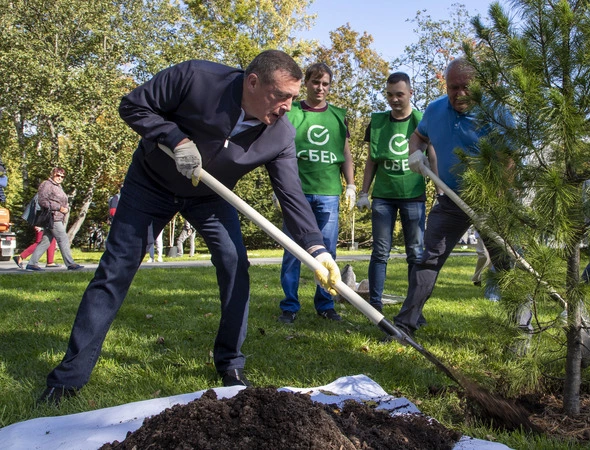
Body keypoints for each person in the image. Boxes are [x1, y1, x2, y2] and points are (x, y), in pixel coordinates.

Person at [37, 50, 341, 405]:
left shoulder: (280, 134)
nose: (289, 106)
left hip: (211, 196)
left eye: (293, 96)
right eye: (282, 96)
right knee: (114, 271)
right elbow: (133, 105)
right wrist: (175, 138)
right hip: (151, 185)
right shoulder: (196, 79)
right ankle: (68, 378)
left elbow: (292, 197)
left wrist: (317, 250)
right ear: (254, 82)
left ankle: (231, 364)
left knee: (235, 265)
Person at [391, 58, 513, 337]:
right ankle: (404, 325)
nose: (459, 93)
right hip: (451, 198)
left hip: (490, 200)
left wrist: (496, 196)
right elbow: (419, 136)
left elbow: (510, 157)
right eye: (452, 87)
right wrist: (415, 153)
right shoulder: (435, 110)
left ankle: (522, 326)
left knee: (506, 262)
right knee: (428, 258)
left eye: (465, 87)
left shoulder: (496, 112)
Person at [278, 62, 355, 324]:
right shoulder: (292, 113)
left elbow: (346, 154)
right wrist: (279, 191)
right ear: (306, 84)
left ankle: (325, 304)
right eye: (315, 82)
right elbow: (277, 152)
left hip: (329, 194)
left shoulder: (337, 116)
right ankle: (289, 306)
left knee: (327, 253)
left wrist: (352, 185)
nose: (320, 88)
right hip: (296, 195)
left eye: (325, 84)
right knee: (293, 252)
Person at [357, 72, 428, 313]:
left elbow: (434, 155)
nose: (394, 99)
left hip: (413, 195)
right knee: (380, 251)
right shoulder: (378, 122)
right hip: (383, 197)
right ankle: (374, 305)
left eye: (399, 94)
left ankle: (413, 308)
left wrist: (440, 191)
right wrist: (363, 192)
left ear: (410, 93)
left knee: (416, 254)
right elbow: (371, 160)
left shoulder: (422, 120)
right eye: (389, 94)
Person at [25, 168, 83, 272]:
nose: (60, 178)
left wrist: (66, 209)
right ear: (52, 174)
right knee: (63, 238)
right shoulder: (47, 185)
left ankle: (32, 264)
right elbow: (42, 201)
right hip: (52, 216)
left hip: (57, 216)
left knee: (46, 241)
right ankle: (70, 264)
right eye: (58, 175)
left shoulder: (58, 186)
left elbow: (63, 200)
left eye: (62, 176)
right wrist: (58, 208)